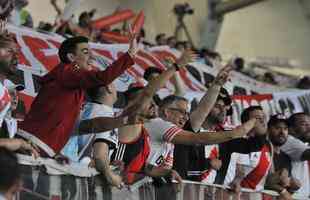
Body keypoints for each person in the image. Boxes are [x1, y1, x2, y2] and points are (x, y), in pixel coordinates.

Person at [18, 31, 138, 157]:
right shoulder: (68, 69)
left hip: (41, 144)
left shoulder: (72, 80)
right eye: (86, 52)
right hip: (34, 142)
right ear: (71, 57)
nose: (92, 57)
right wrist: (130, 54)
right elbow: (103, 77)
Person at [280, 112, 310, 199]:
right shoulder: (289, 140)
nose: (309, 128)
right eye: (304, 124)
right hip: (292, 196)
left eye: (309, 124)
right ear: (291, 128)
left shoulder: (301, 143)